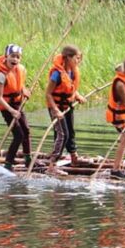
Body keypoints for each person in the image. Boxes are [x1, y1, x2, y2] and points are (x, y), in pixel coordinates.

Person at [45, 45, 87, 174]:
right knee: (62, 135)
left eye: (80, 58)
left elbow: (71, 88)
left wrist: (77, 95)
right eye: (76, 58)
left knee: (71, 133)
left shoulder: (72, 72)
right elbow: (48, 94)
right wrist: (56, 111)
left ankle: (74, 158)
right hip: (56, 108)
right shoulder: (57, 74)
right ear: (67, 57)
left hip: (67, 106)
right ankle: (52, 165)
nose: (78, 61)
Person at [0, 44, 33, 171]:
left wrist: (24, 90)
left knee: (26, 130)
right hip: (6, 107)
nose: (15, 59)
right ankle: (8, 163)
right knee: (18, 135)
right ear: (6, 56)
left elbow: (19, 85)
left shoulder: (21, 69)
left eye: (18, 57)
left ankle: (28, 159)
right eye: (12, 56)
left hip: (17, 103)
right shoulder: (1, 75)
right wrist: (12, 111)